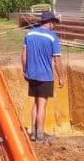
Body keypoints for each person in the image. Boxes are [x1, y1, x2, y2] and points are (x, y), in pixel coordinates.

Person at [22, 11, 64, 142]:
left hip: (32, 74)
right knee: (42, 105)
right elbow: (57, 60)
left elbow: (23, 54)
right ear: (50, 22)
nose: (55, 25)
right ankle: (40, 135)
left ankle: (33, 133)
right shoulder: (53, 37)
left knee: (35, 103)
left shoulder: (29, 33)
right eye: (55, 23)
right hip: (45, 76)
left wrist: (25, 71)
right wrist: (61, 76)